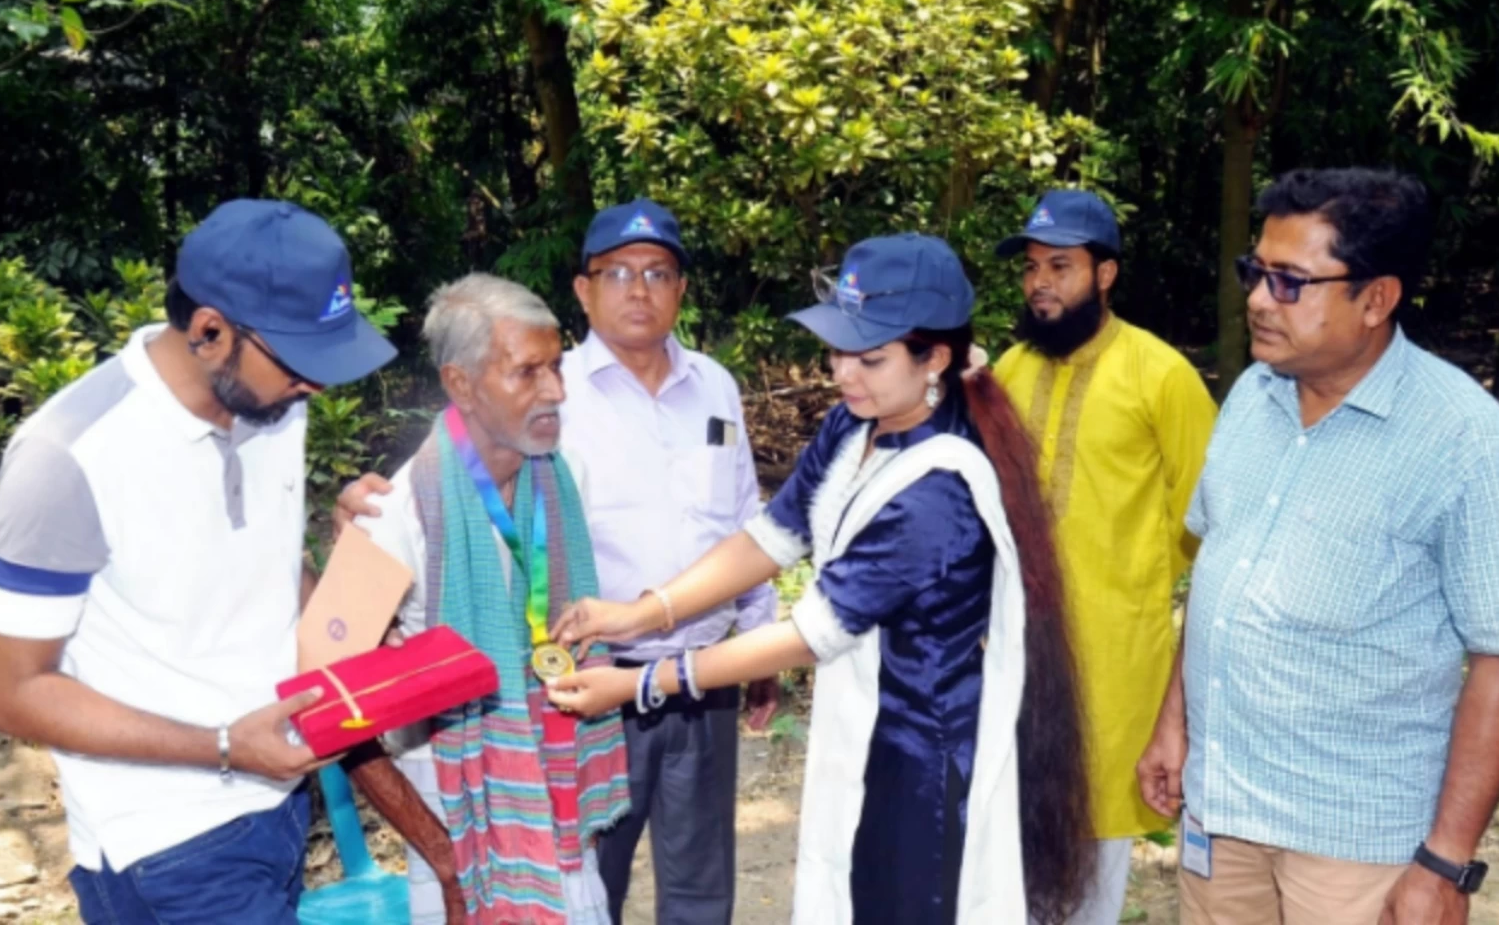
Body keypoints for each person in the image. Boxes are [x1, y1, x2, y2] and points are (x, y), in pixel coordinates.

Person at [546, 233, 1094, 925]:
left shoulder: (939, 486)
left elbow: (811, 633)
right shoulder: (856, 422)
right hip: (863, 723)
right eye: (836, 350)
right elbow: (769, 538)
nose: (842, 373)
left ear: (936, 358)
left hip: (922, 753)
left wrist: (640, 683)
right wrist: (637, 613)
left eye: (869, 358)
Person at [1135, 169, 1499, 925]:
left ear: (1376, 298)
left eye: (1290, 282)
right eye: (1255, 273)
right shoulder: (1252, 399)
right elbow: (1223, 577)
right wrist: (1175, 725)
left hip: (1358, 844)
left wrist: (1445, 865)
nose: (1258, 299)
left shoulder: (1467, 444)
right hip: (1223, 811)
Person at [0, 199, 397, 923]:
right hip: (165, 842)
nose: (316, 388)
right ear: (209, 331)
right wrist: (228, 746)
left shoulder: (272, 404)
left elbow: (267, 567)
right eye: (300, 362)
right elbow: (11, 692)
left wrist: (352, 573)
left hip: (279, 801)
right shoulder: (68, 458)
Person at [339, 274, 631, 925]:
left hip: (560, 803)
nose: (556, 390)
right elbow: (323, 704)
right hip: (456, 810)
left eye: (556, 366)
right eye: (527, 372)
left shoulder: (563, 474)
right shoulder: (392, 513)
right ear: (461, 384)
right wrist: (440, 852)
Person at [991, 190, 1217, 925]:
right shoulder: (1008, 371)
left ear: (1106, 273)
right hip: (1010, 651)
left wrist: (1138, 582)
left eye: (1060, 265)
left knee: (1089, 867)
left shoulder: (1162, 374)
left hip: (1114, 661)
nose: (1040, 283)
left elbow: (1214, 521)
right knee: (1003, 844)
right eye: (1031, 268)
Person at [563, 199, 778, 924]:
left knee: (700, 891)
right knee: (593, 885)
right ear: (584, 289)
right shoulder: (551, 392)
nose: (639, 288)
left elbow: (748, 521)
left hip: (701, 677)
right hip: (593, 685)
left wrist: (760, 644)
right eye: (617, 272)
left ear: (682, 289)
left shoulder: (715, 386)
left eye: (658, 272)